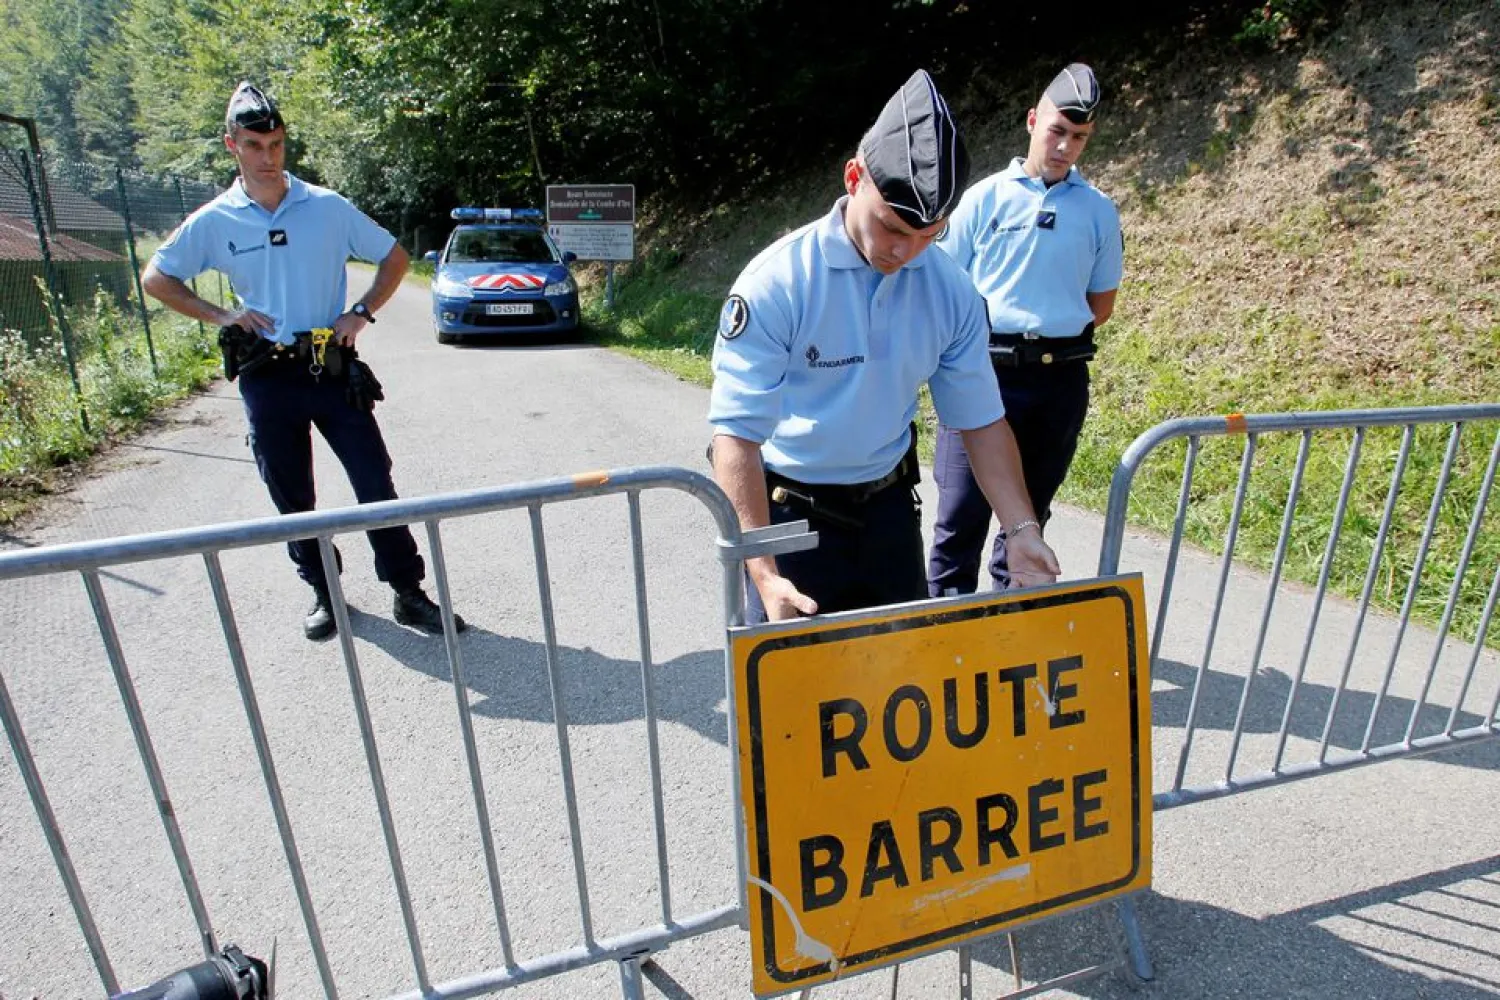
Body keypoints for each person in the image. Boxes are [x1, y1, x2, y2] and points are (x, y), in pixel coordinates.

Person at [708, 69, 1060, 624]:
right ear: (854, 177)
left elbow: (982, 423)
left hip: (889, 513)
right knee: (794, 698)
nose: (907, 252)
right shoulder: (777, 282)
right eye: (893, 227)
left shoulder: (950, 291)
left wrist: (1021, 530)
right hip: (791, 517)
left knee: (901, 685)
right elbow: (735, 440)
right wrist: (766, 574)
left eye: (930, 235)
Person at [142, 82, 466, 641]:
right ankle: (323, 590)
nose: (268, 157)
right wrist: (222, 316)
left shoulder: (327, 207)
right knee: (292, 495)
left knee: (374, 482)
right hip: (266, 376)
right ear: (232, 146)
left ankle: (408, 592)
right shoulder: (215, 221)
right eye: (254, 146)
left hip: (331, 365)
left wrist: (360, 312)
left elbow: (394, 256)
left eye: (276, 145)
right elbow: (156, 278)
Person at [927, 63, 1123, 596]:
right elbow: (943, 286)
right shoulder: (985, 198)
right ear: (1033, 121)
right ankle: (943, 637)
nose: (1065, 146)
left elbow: (1099, 303)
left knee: (1027, 521)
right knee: (958, 523)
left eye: (1078, 137)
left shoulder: (1099, 211)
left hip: (1058, 380)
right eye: (1057, 130)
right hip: (983, 373)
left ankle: (1005, 635)